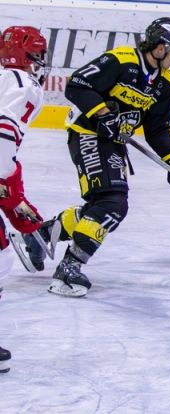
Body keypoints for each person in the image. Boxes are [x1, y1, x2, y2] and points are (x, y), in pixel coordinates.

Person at [13, 18, 170, 298]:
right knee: (112, 203)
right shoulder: (121, 60)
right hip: (87, 133)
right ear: (159, 48)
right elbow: (77, 85)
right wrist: (103, 114)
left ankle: (43, 234)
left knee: (104, 205)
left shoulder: (167, 83)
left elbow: (157, 130)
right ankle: (69, 268)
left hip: (111, 143)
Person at [0, 26, 50, 374]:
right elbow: (3, 136)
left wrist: (20, 212)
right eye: (38, 55)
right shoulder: (23, 86)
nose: (40, 63)